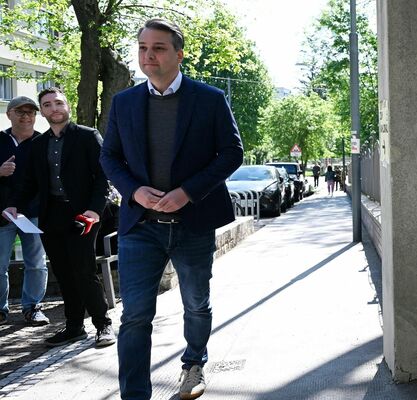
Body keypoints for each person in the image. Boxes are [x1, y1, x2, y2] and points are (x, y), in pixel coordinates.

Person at [100, 18, 243, 400]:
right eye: (143, 48)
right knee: (134, 316)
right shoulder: (124, 101)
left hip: (192, 223)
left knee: (196, 303)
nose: (149, 56)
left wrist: (188, 192)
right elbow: (109, 156)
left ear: (178, 54)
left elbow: (232, 152)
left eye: (159, 48)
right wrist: (132, 191)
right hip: (140, 225)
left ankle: (193, 363)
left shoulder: (209, 98)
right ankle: (135, 394)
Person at [3, 88, 114, 348]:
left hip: (83, 215)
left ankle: (103, 324)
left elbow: (104, 177)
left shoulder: (87, 136)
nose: (54, 108)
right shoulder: (39, 144)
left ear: (67, 106)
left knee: (84, 271)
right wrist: (14, 206)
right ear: (42, 111)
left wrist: (95, 211)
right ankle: (74, 326)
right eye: (48, 105)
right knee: (63, 272)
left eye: (58, 103)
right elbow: (29, 183)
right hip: (52, 215)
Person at [0, 96, 48, 326]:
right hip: (2, 216)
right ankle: (0, 310)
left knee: (36, 263)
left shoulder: (44, 142)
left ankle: (33, 307)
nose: (26, 116)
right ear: (9, 114)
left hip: (33, 214)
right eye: (20, 111)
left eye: (30, 112)